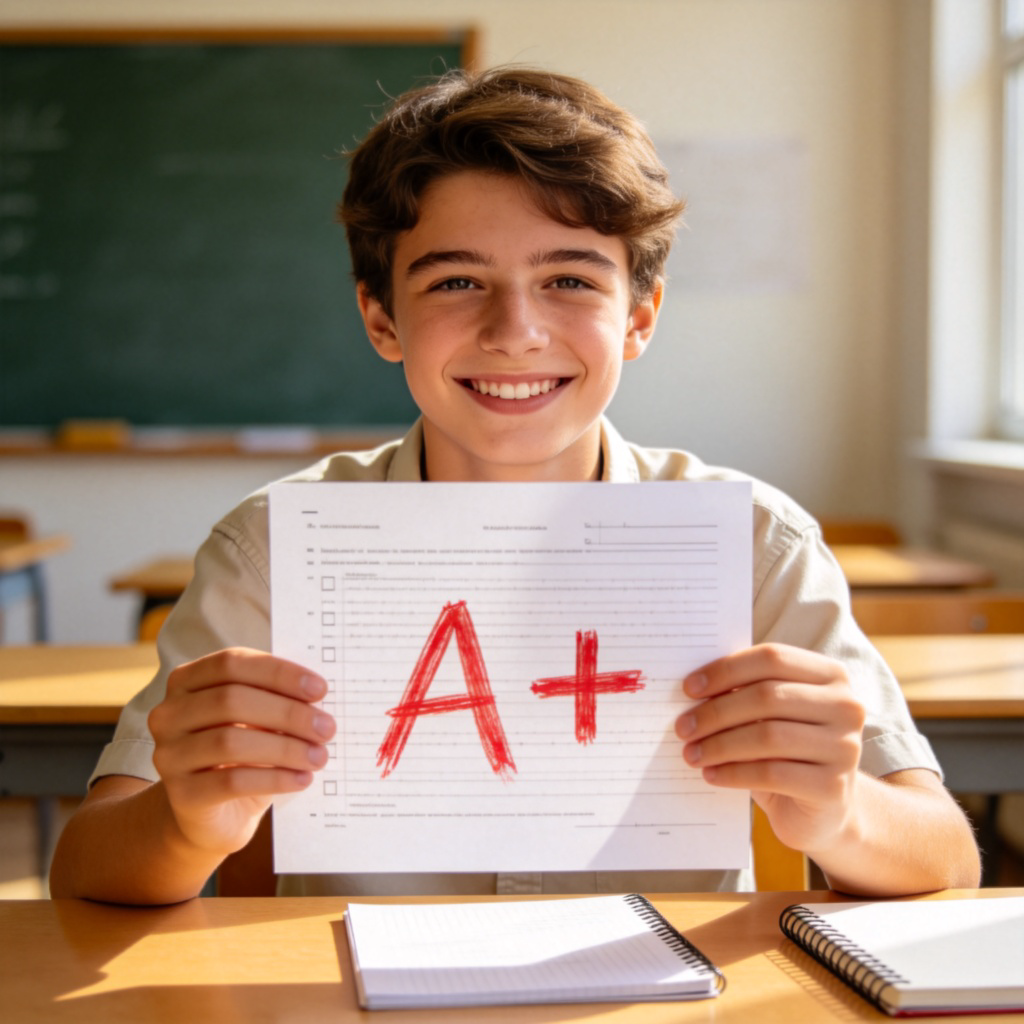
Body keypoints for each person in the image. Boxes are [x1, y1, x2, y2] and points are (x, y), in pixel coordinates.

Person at [50, 66, 980, 904]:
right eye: (456, 282)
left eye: (571, 279)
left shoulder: (751, 542)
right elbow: (87, 867)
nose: (515, 331)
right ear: (382, 318)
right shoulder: (275, 549)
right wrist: (185, 823)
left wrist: (840, 816)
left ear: (640, 317)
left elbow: (944, 858)